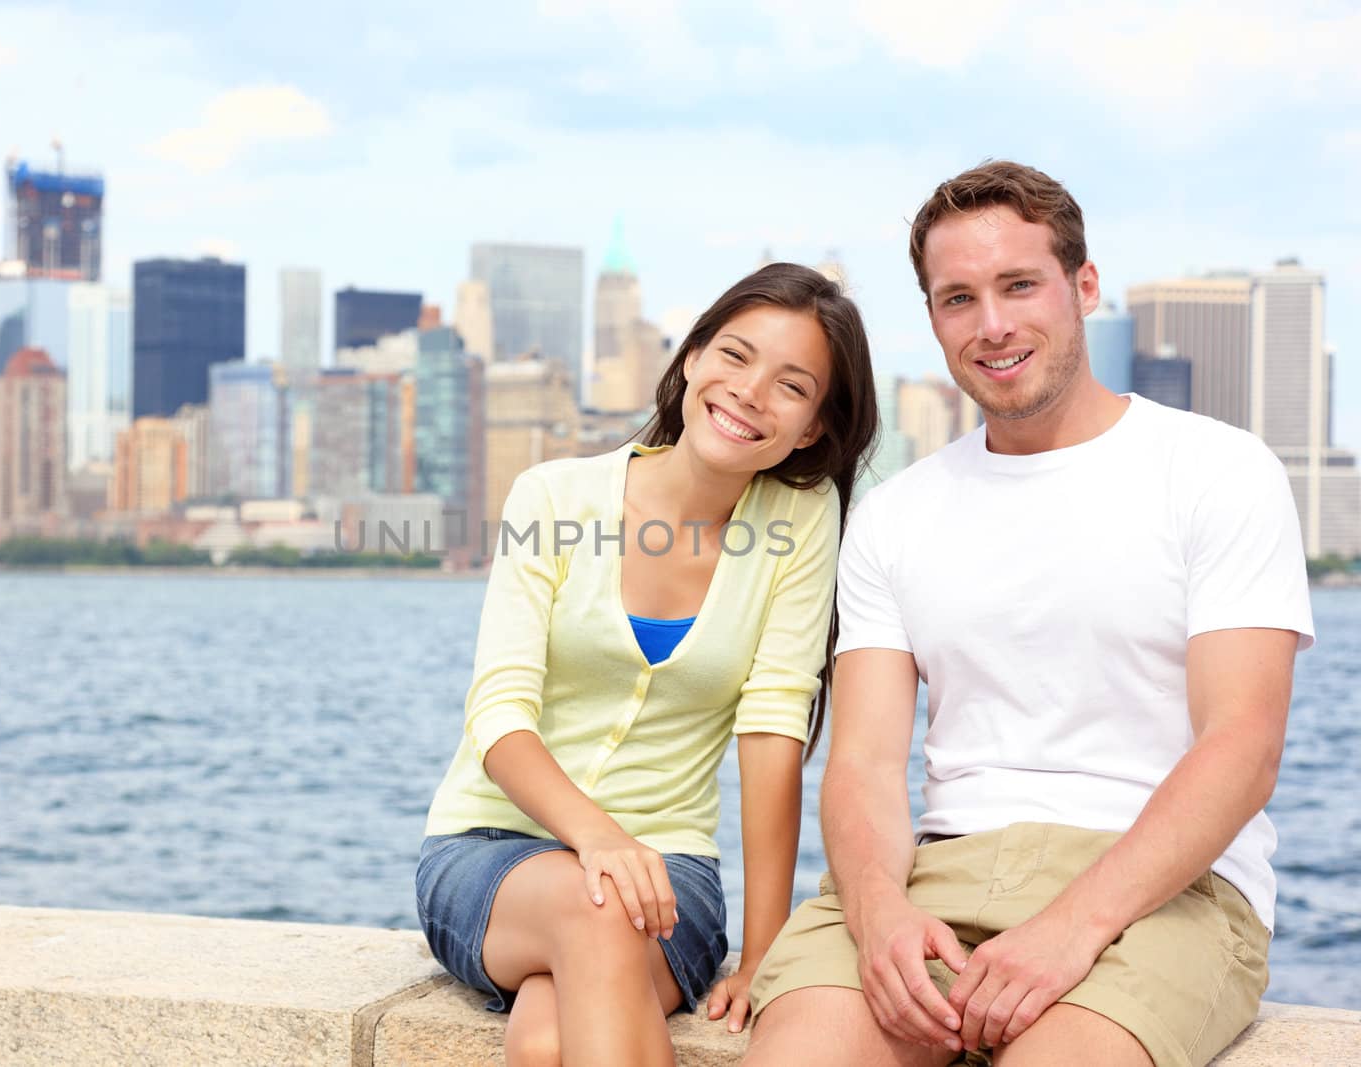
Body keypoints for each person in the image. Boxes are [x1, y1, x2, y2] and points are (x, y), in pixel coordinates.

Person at [743, 161, 1315, 1067]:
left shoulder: (1219, 470)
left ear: (1084, 287)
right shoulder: (894, 514)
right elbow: (859, 762)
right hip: (940, 870)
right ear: (933, 319)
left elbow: (1242, 744)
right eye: (957, 298)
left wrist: (1071, 926)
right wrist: (880, 908)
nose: (993, 324)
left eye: (1019, 285)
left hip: (1165, 891)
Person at [416, 263, 880, 1066]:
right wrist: (599, 840)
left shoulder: (803, 521)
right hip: (487, 853)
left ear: (810, 427)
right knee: (596, 908)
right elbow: (498, 717)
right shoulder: (553, 497)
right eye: (734, 356)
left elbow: (773, 726)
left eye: (791, 385)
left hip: (673, 880)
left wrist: (763, 948)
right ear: (692, 356)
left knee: (545, 1038)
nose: (749, 392)